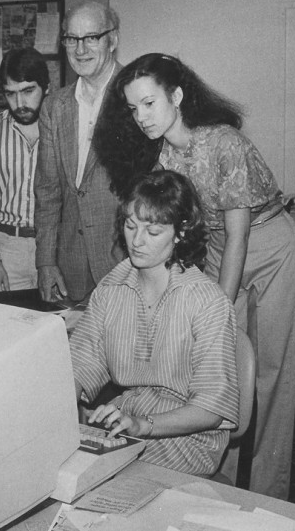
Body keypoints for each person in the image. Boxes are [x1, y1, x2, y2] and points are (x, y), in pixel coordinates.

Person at [96, 53, 295, 499]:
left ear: (177, 96)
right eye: (133, 109)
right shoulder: (163, 154)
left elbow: (239, 235)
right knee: (221, 372)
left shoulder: (225, 142)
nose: (141, 117)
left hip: (267, 243)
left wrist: (217, 310)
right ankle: (219, 479)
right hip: (217, 244)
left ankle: (268, 493)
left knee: (268, 373)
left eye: (149, 104)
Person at [71, 169, 239, 477]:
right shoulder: (112, 287)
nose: (136, 241)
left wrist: (141, 425)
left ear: (180, 232)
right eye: (130, 226)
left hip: (187, 440)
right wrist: (63, 395)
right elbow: (81, 362)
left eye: (153, 232)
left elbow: (211, 409)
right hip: (130, 421)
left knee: (93, 475)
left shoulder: (206, 301)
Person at [34, 0, 123, 303]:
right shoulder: (54, 107)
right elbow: (47, 192)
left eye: (91, 37)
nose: (80, 49)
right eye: (72, 39)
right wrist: (45, 261)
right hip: (70, 268)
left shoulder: (138, 96)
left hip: (127, 262)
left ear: (113, 40)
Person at [0, 48, 49, 292]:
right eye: (11, 94)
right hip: (7, 250)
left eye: (28, 91)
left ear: (46, 87)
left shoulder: (64, 127)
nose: (20, 103)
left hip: (55, 248)